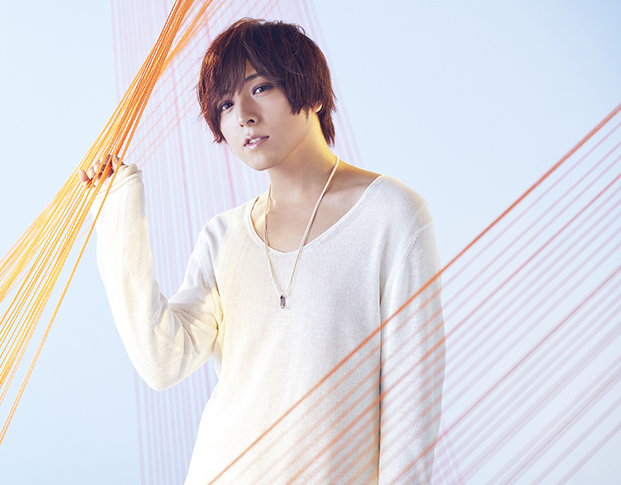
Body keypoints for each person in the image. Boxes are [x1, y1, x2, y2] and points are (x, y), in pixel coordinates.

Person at [80, 18, 444, 485]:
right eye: (225, 104)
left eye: (261, 88)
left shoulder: (390, 215)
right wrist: (118, 213)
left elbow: (412, 403)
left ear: (312, 93)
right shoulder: (223, 237)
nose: (243, 116)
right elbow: (162, 361)